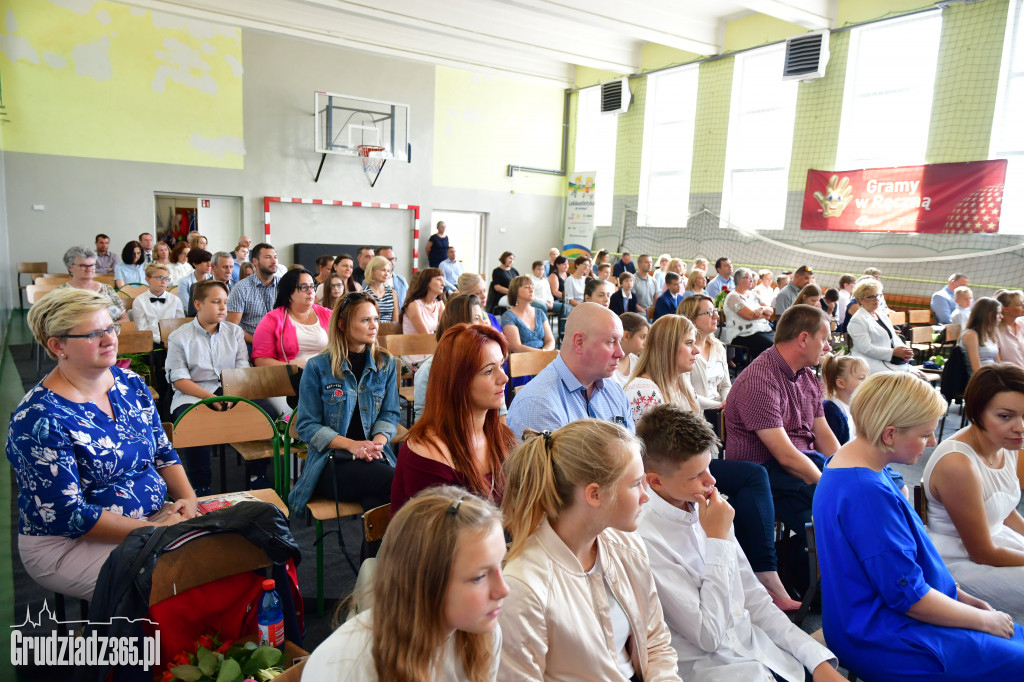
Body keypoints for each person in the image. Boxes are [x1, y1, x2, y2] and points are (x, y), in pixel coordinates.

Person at [814, 371, 1024, 682]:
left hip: (878, 619)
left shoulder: (852, 463)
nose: (932, 443)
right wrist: (981, 620)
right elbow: (909, 598)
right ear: (890, 435)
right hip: (885, 636)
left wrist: (964, 599)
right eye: (925, 435)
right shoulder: (866, 492)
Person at [9, 288, 197, 600]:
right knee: (174, 582)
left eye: (110, 327)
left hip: (150, 521)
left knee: (227, 552)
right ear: (58, 346)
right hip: (69, 543)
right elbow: (69, 514)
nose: (110, 339)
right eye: (94, 334)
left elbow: (164, 453)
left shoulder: (130, 384)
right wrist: (153, 531)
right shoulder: (40, 419)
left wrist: (189, 501)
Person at [636, 406, 841, 681]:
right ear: (655, 482)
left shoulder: (704, 506)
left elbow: (754, 599)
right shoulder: (645, 540)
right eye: (696, 475)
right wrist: (718, 540)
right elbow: (708, 636)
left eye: (708, 466)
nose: (712, 480)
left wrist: (815, 660)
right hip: (717, 667)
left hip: (760, 650)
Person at [499, 420, 681, 681]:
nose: (646, 495)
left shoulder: (627, 546)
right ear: (594, 494)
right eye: (635, 484)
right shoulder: (524, 584)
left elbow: (655, 642)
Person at [300, 486, 507, 682]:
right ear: (425, 584)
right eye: (479, 577)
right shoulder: (347, 670)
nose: (503, 590)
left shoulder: (482, 635)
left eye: (501, 564)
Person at [724, 305, 839, 562]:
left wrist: (850, 470)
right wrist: (833, 486)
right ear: (804, 338)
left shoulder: (807, 375)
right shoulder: (759, 380)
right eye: (825, 339)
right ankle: (819, 585)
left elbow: (823, 433)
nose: (828, 347)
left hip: (799, 464)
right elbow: (785, 456)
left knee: (875, 487)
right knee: (837, 515)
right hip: (767, 474)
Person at [923, 364, 1024, 622]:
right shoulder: (958, 463)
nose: (1020, 427)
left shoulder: (1009, 444)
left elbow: (1004, 509)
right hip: (959, 561)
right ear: (977, 412)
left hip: (997, 542)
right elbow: (981, 552)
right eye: (1005, 416)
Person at [289, 292, 399, 517]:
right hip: (330, 463)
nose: (374, 326)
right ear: (342, 325)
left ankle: (374, 554)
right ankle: (389, 553)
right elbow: (307, 426)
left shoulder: (386, 363)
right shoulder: (318, 367)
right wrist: (353, 446)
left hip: (373, 459)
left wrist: (375, 445)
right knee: (397, 484)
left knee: (378, 503)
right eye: (365, 320)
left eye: (376, 319)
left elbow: (389, 414)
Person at [392, 325, 517, 514]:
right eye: (489, 371)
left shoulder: (501, 437)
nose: (504, 378)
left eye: (502, 365)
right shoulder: (427, 456)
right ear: (458, 382)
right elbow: (437, 541)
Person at [165, 280, 251, 495]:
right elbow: (179, 379)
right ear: (198, 304)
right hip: (193, 392)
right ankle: (200, 483)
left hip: (230, 388)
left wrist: (231, 396)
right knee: (191, 421)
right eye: (215, 302)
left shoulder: (235, 332)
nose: (223, 307)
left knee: (262, 413)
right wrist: (208, 398)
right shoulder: (179, 337)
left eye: (225, 302)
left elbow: (242, 368)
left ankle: (257, 474)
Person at [506, 303, 632, 441]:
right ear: (579, 342)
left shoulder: (615, 391)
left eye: (619, 341)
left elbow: (635, 454)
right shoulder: (538, 404)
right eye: (611, 342)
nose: (621, 353)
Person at [413, 294, 500, 423]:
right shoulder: (429, 369)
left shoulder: (488, 361)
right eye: (476, 318)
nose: (484, 324)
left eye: (482, 318)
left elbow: (500, 413)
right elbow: (423, 417)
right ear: (459, 324)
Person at [623, 314, 701, 423]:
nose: (697, 350)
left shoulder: (682, 384)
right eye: (689, 343)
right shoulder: (644, 390)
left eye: (694, 343)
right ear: (668, 348)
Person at [252, 268, 331, 368]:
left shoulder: (328, 315)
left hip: (325, 376)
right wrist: (293, 367)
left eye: (312, 286)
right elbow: (261, 360)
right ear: (289, 292)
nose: (310, 291)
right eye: (303, 287)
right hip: (291, 377)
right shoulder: (272, 319)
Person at [847, 277, 919, 376]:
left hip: (888, 361)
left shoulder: (881, 315)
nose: (876, 299)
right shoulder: (857, 320)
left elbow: (894, 338)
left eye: (878, 295)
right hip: (869, 364)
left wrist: (905, 350)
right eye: (871, 297)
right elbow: (866, 349)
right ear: (861, 300)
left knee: (921, 376)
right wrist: (893, 352)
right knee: (912, 378)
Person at [677, 295, 730, 411]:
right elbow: (687, 394)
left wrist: (727, 403)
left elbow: (725, 386)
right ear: (691, 318)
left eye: (715, 311)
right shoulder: (682, 350)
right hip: (695, 413)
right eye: (710, 312)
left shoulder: (718, 347)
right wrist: (721, 406)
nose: (716, 316)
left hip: (721, 410)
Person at [58, 246, 127, 323]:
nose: (89, 269)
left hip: (109, 332)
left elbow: (125, 319)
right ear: (70, 267)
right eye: (83, 266)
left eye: (92, 265)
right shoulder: (60, 292)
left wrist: (105, 329)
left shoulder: (107, 289)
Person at [227, 243, 280, 343]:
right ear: (255, 261)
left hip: (280, 341)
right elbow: (233, 326)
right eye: (268, 257)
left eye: (275, 257)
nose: (274, 261)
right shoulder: (241, 288)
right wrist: (257, 342)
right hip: (251, 341)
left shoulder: (284, 285)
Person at [721, 267, 775, 362]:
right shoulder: (733, 297)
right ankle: (760, 371)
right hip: (742, 334)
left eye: (752, 278)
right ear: (739, 280)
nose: (752, 280)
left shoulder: (754, 294)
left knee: (780, 341)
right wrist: (764, 315)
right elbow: (749, 316)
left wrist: (761, 309)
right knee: (769, 344)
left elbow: (770, 311)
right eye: (748, 277)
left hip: (761, 330)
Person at [131, 263, 184, 344]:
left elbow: (180, 325)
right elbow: (142, 328)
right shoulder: (139, 301)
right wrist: (161, 341)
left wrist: (171, 340)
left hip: (174, 341)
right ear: (148, 280)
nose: (163, 282)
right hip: (149, 341)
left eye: (166, 278)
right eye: (160, 278)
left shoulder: (175, 300)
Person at [501, 276, 555, 353]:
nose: (531, 290)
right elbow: (516, 347)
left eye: (532, 287)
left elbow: (550, 340)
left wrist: (544, 353)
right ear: (515, 291)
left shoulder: (540, 313)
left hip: (543, 356)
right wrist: (541, 354)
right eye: (527, 287)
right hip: (523, 359)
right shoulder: (508, 316)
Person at [959, 297, 1002, 374]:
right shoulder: (971, 335)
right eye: (998, 313)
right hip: (980, 381)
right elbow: (976, 370)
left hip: (993, 377)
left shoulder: (990, 334)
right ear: (989, 315)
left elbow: (998, 364)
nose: (1001, 317)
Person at [401, 268, 447, 335]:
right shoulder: (413, 305)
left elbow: (446, 329)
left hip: (431, 342)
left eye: (443, 280)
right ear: (427, 282)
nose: (443, 284)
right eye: (439, 279)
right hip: (416, 344)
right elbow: (425, 335)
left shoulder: (439, 303)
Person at [610, 312, 649, 388]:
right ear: (626, 336)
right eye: (642, 337)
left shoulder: (637, 362)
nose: (645, 343)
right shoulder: (606, 364)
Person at [363, 255, 400, 324]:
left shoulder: (392, 292)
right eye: (383, 270)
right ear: (372, 271)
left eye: (388, 271)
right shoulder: (363, 293)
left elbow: (396, 320)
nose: (386, 274)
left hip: (389, 331)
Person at [176, 248, 213, 317]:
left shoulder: (213, 280)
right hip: (193, 317)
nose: (209, 265)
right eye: (205, 261)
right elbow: (187, 306)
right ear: (195, 264)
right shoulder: (184, 282)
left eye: (210, 261)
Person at [994, 289, 1024, 366]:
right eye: (1019, 304)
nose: (1023, 306)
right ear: (1006, 309)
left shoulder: (1022, 324)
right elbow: (998, 362)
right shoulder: (995, 331)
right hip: (1011, 376)